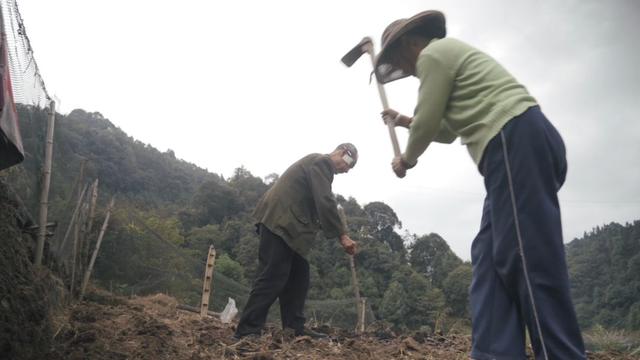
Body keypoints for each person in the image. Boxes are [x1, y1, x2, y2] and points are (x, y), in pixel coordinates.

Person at [373, 10, 586, 360]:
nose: (406, 69)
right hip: (506, 158)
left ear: (412, 43)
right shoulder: (446, 62)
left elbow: (428, 124)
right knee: (489, 262)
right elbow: (444, 130)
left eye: (399, 59)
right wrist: (403, 121)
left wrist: (406, 159)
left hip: (514, 137)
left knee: (526, 256)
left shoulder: (434, 54)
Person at [234, 143, 358, 339]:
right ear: (343, 153)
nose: (346, 170)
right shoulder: (322, 162)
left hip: (285, 228)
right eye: (348, 164)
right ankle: (247, 330)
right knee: (272, 275)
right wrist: (342, 234)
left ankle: (294, 328)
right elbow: (325, 200)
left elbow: (318, 203)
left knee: (299, 274)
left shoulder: (317, 166)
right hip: (280, 224)